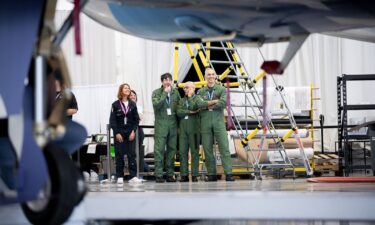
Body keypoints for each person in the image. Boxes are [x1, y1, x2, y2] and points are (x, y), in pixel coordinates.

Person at [189, 68, 235, 182]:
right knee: (207, 149)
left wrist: (206, 105)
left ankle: (228, 173)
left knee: (224, 148)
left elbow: (223, 103)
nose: (210, 77)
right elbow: (199, 104)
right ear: (205, 77)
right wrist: (214, 101)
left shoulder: (222, 89)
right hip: (205, 123)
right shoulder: (201, 91)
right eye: (208, 75)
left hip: (218, 122)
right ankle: (212, 174)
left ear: (215, 76)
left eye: (212, 74)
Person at [152, 72, 181, 183]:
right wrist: (165, 93)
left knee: (171, 151)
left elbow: (179, 108)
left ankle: (170, 174)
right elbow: (156, 105)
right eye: (165, 80)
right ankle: (159, 175)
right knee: (159, 150)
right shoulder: (156, 93)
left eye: (169, 79)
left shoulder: (176, 93)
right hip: (161, 126)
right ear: (162, 82)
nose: (167, 81)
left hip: (173, 126)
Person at [109, 83, 140, 184]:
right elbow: (112, 121)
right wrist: (116, 133)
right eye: (125, 88)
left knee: (132, 154)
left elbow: (136, 120)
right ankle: (119, 176)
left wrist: (133, 131)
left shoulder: (133, 104)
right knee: (119, 154)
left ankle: (133, 176)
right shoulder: (115, 105)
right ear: (121, 91)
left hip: (130, 132)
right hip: (119, 133)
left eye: (128, 88)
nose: (128, 89)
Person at [177, 82, 201, 182]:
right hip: (183, 130)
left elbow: (194, 107)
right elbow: (178, 112)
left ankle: (195, 174)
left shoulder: (197, 99)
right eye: (184, 88)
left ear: (194, 88)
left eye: (187, 87)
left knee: (195, 152)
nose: (185, 89)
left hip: (194, 130)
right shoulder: (181, 100)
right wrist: (189, 112)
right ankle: (184, 175)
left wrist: (191, 98)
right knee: (182, 152)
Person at [129, 90, 149, 173]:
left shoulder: (138, 106)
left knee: (136, 151)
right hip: (128, 130)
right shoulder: (125, 106)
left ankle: (145, 169)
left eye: (134, 95)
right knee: (130, 151)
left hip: (137, 130)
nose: (133, 96)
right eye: (131, 95)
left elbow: (140, 117)